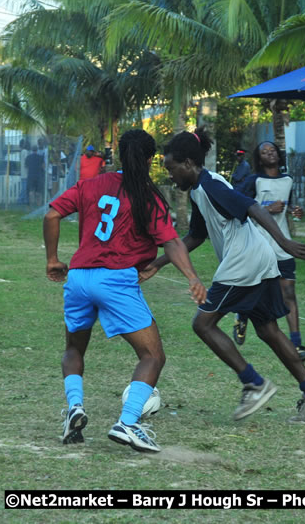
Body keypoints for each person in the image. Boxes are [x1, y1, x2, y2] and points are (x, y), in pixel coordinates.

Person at [146, 127, 305, 425]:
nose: (170, 175)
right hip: (258, 259)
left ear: (187, 163)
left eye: (171, 168)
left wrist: (284, 242)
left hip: (244, 261)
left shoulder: (211, 185)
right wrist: (158, 263)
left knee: (203, 324)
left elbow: (251, 207)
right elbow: (196, 235)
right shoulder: (199, 191)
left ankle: (254, 384)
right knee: (268, 330)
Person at [44, 129, 206, 453]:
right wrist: (191, 277)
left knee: (74, 349)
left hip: (78, 278)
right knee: (152, 355)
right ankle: (128, 422)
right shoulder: (148, 195)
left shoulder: (90, 184)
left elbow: (52, 214)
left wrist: (52, 259)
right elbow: (172, 241)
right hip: (114, 280)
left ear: (117, 155)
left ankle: (74, 408)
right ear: (150, 160)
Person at [231, 141, 305, 361]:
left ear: (279, 155)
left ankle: (296, 344)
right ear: (259, 158)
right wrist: (267, 209)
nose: (270, 154)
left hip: (283, 245)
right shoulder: (252, 181)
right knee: (251, 290)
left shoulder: (288, 181)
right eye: (264, 152)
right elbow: (237, 210)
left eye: (273, 150)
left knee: (289, 294)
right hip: (257, 245)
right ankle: (241, 316)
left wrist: (295, 210)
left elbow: (289, 207)